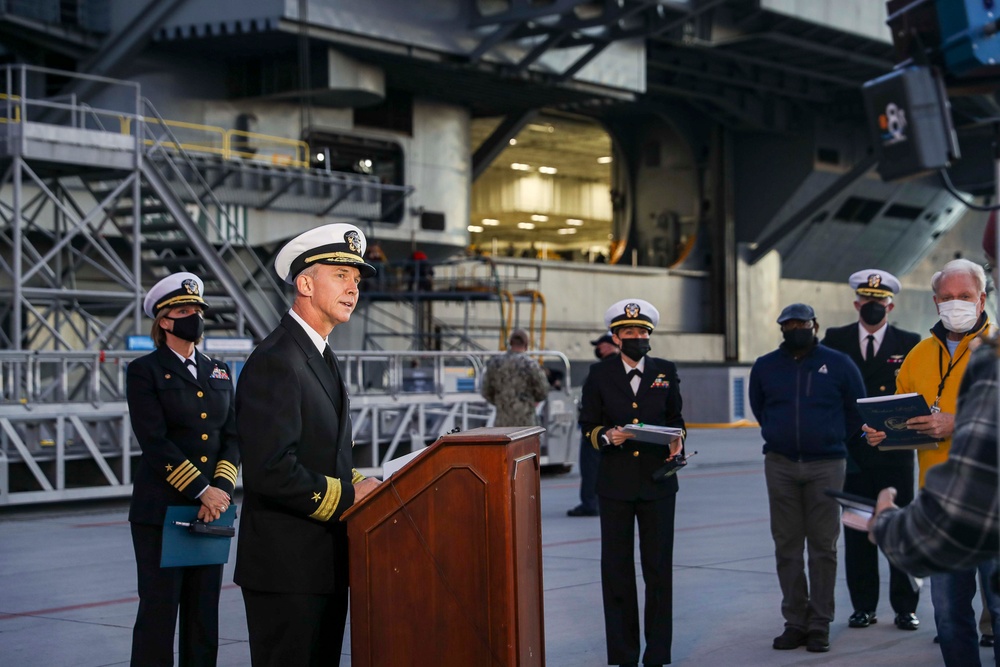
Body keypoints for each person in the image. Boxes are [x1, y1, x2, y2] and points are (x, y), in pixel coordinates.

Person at [234, 223, 382, 666]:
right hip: (287, 568)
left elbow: (324, 451)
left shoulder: (318, 354)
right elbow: (272, 469)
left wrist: (366, 480)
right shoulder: (276, 360)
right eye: (340, 275)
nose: (353, 288)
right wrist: (352, 496)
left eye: (356, 280)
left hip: (322, 563)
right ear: (304, 283)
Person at [864, 256, 1000, 666]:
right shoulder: (919, 355)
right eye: (947, 297)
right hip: (939, 504)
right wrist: (885, 434)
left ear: (981, 300)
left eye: (965, 296)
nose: (955, 303)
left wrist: (955, 423)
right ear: (935, 301)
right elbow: (906, 417)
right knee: (948, 614)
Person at [126, 272, 240, 667]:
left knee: (204, 615)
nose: (194, 316)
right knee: (159, 614)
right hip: (163, 510)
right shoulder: (145, 371)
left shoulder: (219, 370)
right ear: (163, 321)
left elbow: (232, 435)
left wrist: (221, 489)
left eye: (197, 310)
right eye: (183, 310)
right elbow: (154, 440)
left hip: (212, 508)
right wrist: (201, 490)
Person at [748, 303, 865, 654]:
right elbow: (760, 407)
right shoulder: (766, 366)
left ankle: (819, 623)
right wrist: (778, 433)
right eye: (790, 324)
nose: (797, 328)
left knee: (823, 547)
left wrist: (831, 439)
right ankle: (795, 621)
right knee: (786, 545)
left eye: (803, 323)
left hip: (826, 464)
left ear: (816, 325)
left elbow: (856, 407)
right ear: (781, 328)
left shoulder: (839, 363)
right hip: (781, 463)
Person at [578, 299, 685, 667]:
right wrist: (608, 436)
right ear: (616, 336)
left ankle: (657, 653)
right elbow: (587, 426)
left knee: (658, 570)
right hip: (616, 486)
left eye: (643, 332)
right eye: (630, 332)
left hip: (657, 485)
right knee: (617, 571)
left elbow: (677, 419)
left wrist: (678, 439)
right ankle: (623, 654)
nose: (638, 337)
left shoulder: (665, 371)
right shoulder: (599, 375)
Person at [820, 269, 922, 632]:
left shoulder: (910, 342)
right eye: (866, 301)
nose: (872, 306)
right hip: (852, 454)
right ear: (856, 303)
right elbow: (829, 394)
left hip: (895, 452)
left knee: (900, 529)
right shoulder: (835, 339)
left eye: (879, 302)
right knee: (858, 530)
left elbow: (914, 396)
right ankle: (863, 606)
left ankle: (905, 607)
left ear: (890, 305)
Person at [568, 331, 619, 517]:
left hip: (596, 427)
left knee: (590, 467)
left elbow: (590, 398)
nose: (597, 349)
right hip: (615, 428)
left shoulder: (600, 370)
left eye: (599, 345)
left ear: (608, 345)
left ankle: (590, 503)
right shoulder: (624, 367)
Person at [480, 328, 549, 427]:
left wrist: (502, 403)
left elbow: (486, 391)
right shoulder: (530, 365)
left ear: (510, 343)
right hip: (526, 424)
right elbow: (543, 391)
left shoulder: (495, 364)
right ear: (526, 345)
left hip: (502, 423)